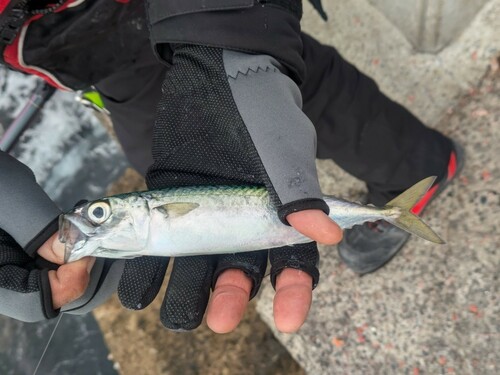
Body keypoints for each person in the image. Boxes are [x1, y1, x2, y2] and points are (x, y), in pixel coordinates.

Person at [0, 0, 462, 334]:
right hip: (84, 56)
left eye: (98, 212)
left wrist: (231, 29)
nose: (88, 216)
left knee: (283, 90)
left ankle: (415, 173)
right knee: (166, 156)